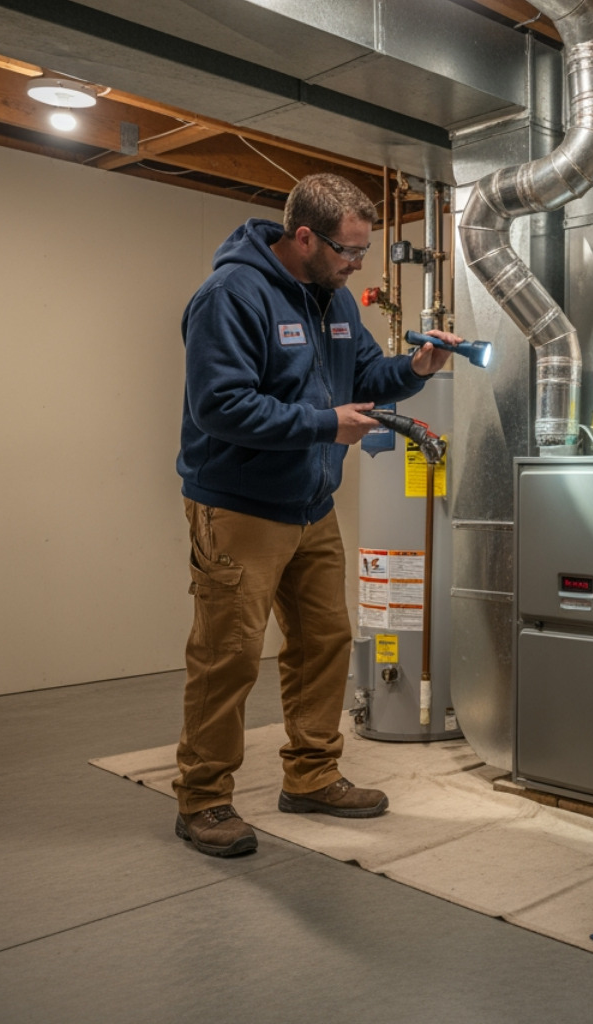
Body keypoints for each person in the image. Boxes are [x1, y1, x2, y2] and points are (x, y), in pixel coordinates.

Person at [172, 172, 460, 857]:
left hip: (312, 505)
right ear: (304, 236)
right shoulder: (229, 295)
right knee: (228, 655)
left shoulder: (335, 301)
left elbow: (365, 376)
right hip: (240, 507)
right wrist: (325, 425)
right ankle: (204, 798)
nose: (357, 264)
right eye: (347, 250)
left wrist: (416, 366)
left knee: (325, 643)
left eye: (362, 250)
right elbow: (221, 406)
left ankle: (311, 774)